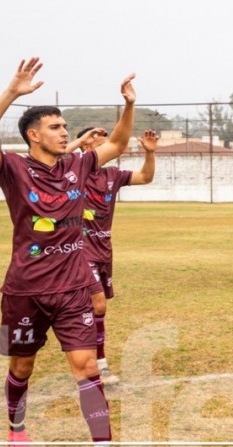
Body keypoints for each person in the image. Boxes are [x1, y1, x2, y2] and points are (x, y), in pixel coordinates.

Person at [0, 57, 137, 447]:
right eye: (56, 128)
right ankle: (16, 434)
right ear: (33, 135)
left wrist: (127, 105)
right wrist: (12, 92)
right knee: (21, 369)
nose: (64, 133)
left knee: (87, 368)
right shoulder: (13, 169)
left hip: (75, 289)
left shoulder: (79, 163)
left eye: (63, 126)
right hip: (23, 292)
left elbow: (118, 144)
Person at [69, 126, 158, 386]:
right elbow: (55, 157)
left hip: (104, 248)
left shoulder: (113, 175)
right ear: (86, 147)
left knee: (91, 309)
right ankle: (99, 364)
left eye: (106, 141)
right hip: (79, 248)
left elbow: (145, 177)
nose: (106, 145)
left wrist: (150, 154)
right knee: (98, 305)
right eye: (97, 141)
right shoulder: (73, 171)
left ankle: (84, 355)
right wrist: (77, 143)